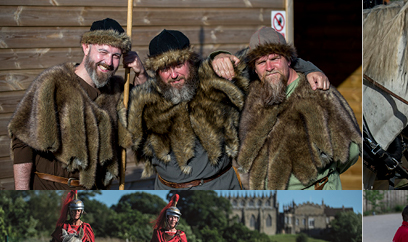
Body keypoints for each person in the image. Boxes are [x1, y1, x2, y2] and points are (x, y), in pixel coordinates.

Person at [127, 29, 329, 190]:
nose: (173, 75)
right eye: (164, 69)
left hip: (221, 186)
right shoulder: (145, 100)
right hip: (167, 192)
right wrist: (138, 72)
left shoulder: (217, 81)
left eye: (178, 64)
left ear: (191, 61)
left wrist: (310, 69)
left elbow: (268, 59)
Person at [9, 18, 145, 190]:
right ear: (86, 47)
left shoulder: (117, 91)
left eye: (116, 56)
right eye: (103, 52)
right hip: (49, 188)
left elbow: (144, 108)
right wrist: (22, 192)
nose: (109, 62)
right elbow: (22, 141)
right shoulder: (53, 83)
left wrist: (140, 73)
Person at [231, 27, 362, 189]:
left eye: (275, 58)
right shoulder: (252, 95)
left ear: (288, 59)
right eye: (261, 62)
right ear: (255, 69)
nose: (269, 67)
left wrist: (324, 175)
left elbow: (352, 150)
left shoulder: (316, 91)